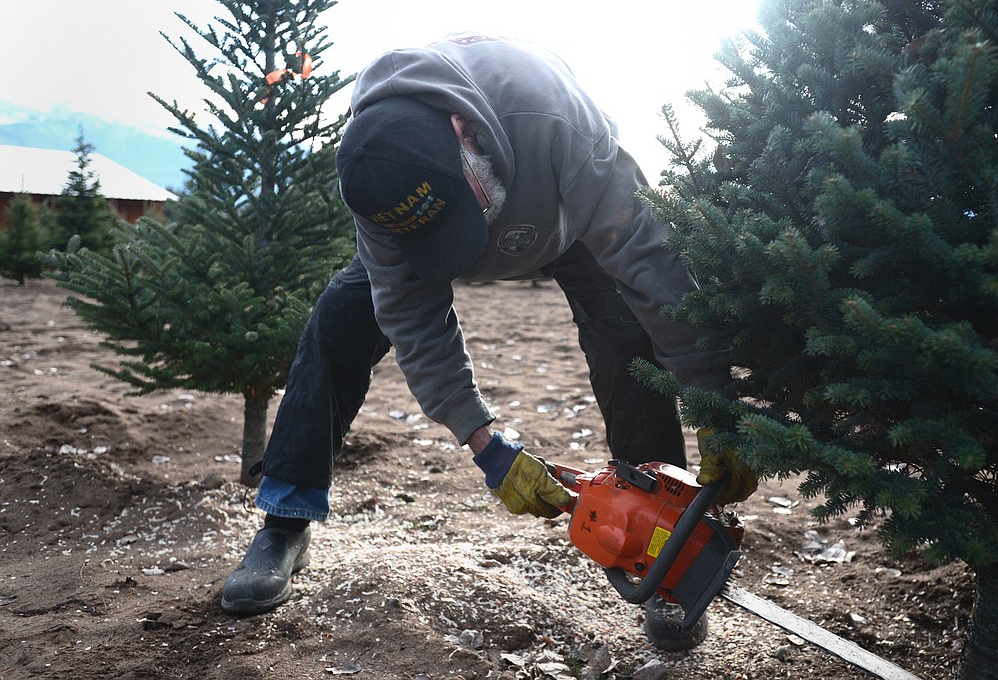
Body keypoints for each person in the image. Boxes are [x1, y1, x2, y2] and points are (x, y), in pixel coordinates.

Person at [219, 35, 758, 650]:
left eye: (458, 215)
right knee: (338, 323)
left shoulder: (556, 123)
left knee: (626, 336)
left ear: (464, 131)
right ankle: (286, 519)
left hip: (568, 224)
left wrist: (717, 409)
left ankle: (666, 544)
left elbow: (652, 266)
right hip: (434, 227)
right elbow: (413, 321)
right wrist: (486, 445)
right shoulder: (375, 178)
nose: (465, 249)